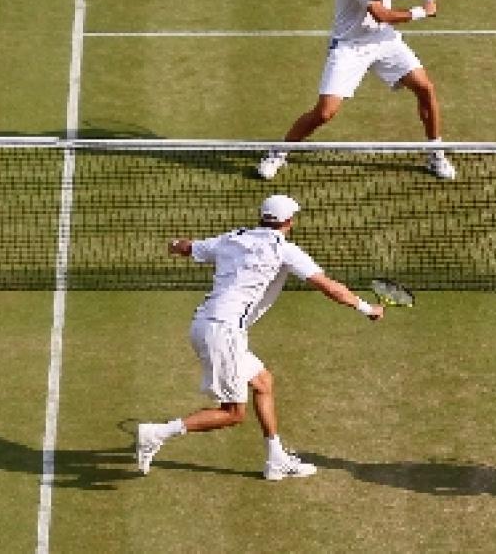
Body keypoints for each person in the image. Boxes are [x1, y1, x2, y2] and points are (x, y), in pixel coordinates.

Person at [135, 194, 384, 480]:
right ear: (289, 222)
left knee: (263, 383)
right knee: (233, 413)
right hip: (223, 333)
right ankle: (157, 433)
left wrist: (176, 244)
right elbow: (329, 287)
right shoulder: (285, 251)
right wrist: (367, 308)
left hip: (207, 325)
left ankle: (275, 459)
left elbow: (188, 247)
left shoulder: (233, 238)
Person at [258, 0, 456, 181]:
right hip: (351, 47)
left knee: (425, 88)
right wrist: (423, 11)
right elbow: (381, 14)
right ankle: (278, 152)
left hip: (383, 40)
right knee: (324, 113)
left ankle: (436, 152)